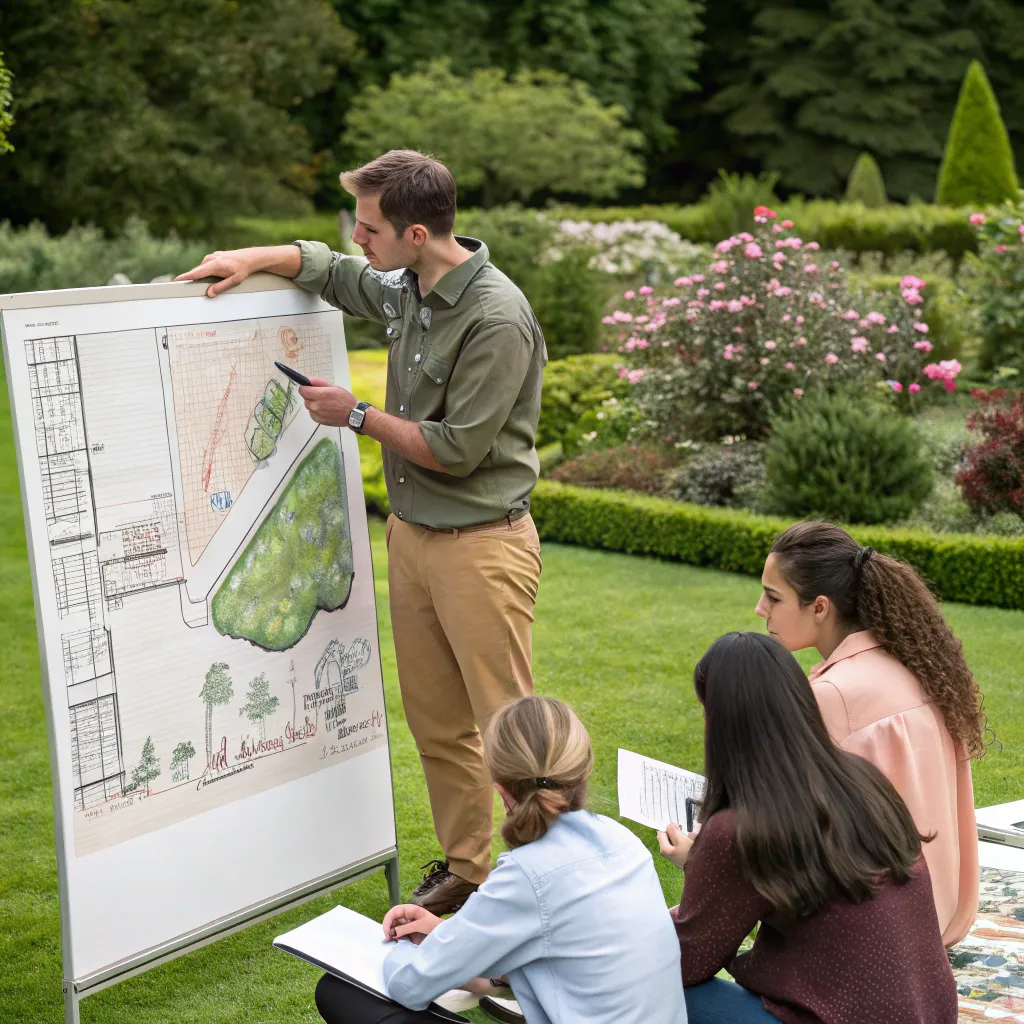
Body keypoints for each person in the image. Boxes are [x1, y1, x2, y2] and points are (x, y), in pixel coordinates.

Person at [177, 149, 547, 915]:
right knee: (440, 726)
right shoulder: (410, 287)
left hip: (483, 546)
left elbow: (457, 451)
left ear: (417, 232)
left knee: (510, 731)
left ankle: (543, 886)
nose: (360, 238)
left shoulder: (496, 317)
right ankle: (468, 872)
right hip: (412, 543)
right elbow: (335, 273)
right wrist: (253, 258)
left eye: (371, 227)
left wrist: (354, 415)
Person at [313, 696, 688, 1024]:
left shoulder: (528, 874)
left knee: (339, 991)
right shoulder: (621, 840)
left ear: (501, 789)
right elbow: (563, 944)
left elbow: (409, 985)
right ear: (584, 769)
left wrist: (399, 951)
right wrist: (444, 937)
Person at [659, 632, 958, 1024]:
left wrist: (693, 877)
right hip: (930, 1012)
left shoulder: (740, 829)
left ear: (721, 723)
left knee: (655, 987)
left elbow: (688, 962)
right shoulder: (863, 780)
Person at [754, 520, 985, 946]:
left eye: (772, 596)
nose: (759, 609)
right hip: (938, 917)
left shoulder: (830, 696)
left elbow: (792, 835)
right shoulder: (918, 667)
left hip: (876, 937)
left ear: (820, 607)